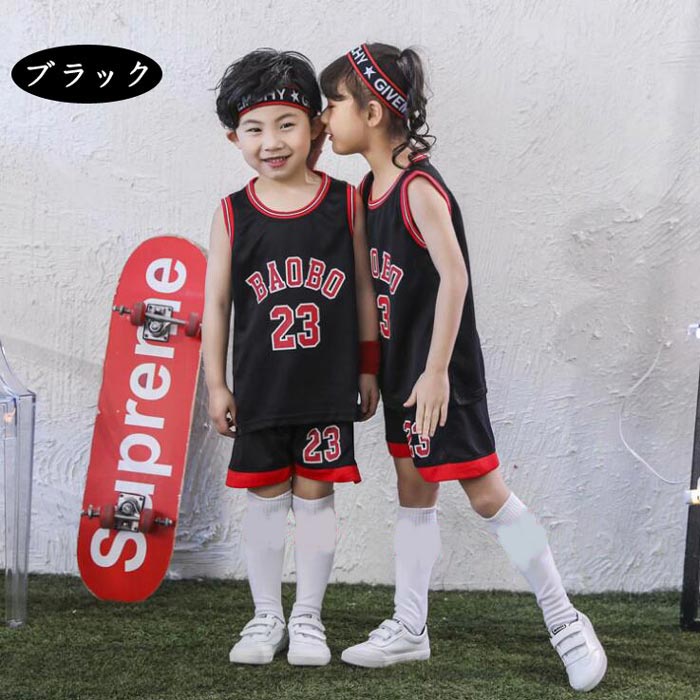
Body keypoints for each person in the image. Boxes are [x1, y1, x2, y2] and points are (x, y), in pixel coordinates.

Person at [318, 42, 607, 691]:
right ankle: (410, 626)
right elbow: (374, 290)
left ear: (371, 111)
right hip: (403, 377)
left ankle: (565, 618)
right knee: (414, 490)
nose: (324, 117)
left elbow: (455, 277)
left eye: (333, 104)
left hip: (441, 379)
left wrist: (437, 372)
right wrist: (373, 368)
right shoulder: (369, 190)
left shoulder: (418, 187)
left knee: (488, 497)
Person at [203, 48, 379, 667]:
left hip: (326, 387)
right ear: (235, 137)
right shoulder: (234, 212)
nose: (271, 142)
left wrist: (368, 365)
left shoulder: (345, 202)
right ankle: (265, 615)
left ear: (314, 126)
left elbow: (364, 289)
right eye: (254, 129)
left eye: (286, 124)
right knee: (264, 502)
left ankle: (308, 616)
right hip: (261, 387)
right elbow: (217, 302)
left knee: (317, 503)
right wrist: (216, 384)